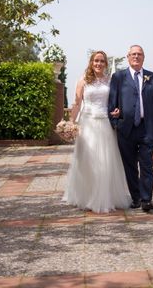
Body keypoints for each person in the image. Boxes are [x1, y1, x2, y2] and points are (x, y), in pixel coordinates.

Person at [62, 50, 131, 213]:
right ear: (91, 63)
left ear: (106, 64)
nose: (98, 64)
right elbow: (77, 104)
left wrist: (117, 111)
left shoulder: (110, 80)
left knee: (106, 161)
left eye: (102, 61)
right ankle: (85, 196)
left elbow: (115, 102)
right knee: (87, 160)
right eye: (96, 61)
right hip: (87, 123)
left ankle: (106, 197)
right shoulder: (83, 80)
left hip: (105, 124)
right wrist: (71, 123)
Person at [108, 44, 153, 212]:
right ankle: (136, 198)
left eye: (139, 54)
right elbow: (112, 103)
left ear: (144, 57)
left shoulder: (152, 77)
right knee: (130, 166)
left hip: (147, 129)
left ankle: (146, 199)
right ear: (128, 57)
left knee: (147, 164)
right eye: (133, 54)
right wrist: (115, 124)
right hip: (125, 129)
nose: (136, 56)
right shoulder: (118, 77)